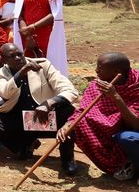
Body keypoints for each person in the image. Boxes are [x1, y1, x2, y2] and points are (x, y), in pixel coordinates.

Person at [0, 43, 80, 174]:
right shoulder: (0, 73)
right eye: (12, 56)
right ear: (4, 60)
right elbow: (5, 93)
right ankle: (24, 146)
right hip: (23, 122)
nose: (18, 58)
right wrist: (22, 72)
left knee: (69, 112)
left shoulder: (43, 65)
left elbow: (70, 90)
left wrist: (49, 103)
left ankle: (67, 157)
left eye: (19, 54)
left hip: (46, 119)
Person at [58, 52, 139, 182]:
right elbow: (82, 110)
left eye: (100, 67)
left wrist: (116, 97)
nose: (96, 70)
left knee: (127, 138)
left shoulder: (136, 86)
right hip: (116, 131)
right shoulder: (98, 85)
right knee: (80, 123)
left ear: (116, 72)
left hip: (134, 133)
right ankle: (124, 164)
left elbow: (136, 124)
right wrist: (69, 124)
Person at [13, 0, 67, 75]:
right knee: (28, 62)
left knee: (48, 62)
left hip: (47, 34)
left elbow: (54, 14)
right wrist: (26, 32)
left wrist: (32, 27)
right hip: (25, 33)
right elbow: (19, 14)